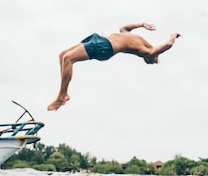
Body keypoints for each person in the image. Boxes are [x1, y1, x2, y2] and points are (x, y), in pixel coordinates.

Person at [47, 22, 181, 111]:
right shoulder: (139, 41)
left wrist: (173, 35)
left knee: (69, 58)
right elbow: (124, 28)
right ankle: (63, 94)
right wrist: (142, 24)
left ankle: (61, 96)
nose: (152, 58)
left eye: (150, 60)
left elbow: (168, 44)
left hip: (105, 48)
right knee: (62, 55)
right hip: (100, 39)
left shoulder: (149, 52)